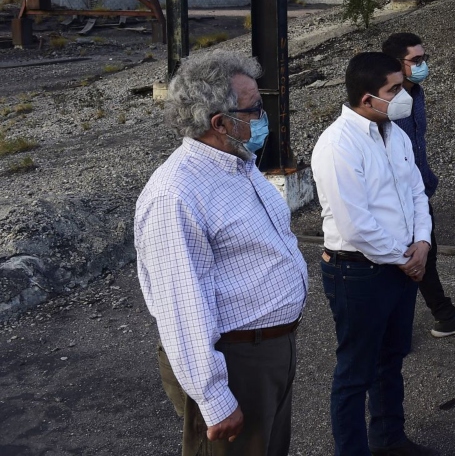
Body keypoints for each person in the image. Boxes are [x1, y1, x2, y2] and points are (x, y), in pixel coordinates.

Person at [135, 50, 308, 456]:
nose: (264, 117)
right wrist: (214, 399)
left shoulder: (239, 163)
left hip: (269, 350)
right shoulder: (175, 194)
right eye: (256, 109)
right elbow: (181, 307)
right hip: (234, 362)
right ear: (221, 123)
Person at [312, 52, 438, 456]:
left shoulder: (394, 133)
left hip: (401, 266)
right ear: (368, 99)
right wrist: (405, 258)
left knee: (391, 358)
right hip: (358, 273)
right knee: (355, 372)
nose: (403, 96)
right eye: (394, 90)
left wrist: (422, 243)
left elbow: (416, 191)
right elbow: (355, 224)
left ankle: (389, 439)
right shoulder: (337, 146)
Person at [381, 32, 455, 338]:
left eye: (424, 59)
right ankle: (399, 329)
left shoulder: (416, 93)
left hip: (418, 192)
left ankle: (442, 316)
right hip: (396, 197)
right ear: (397, 64)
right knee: (402, 260)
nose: (422, 65)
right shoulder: (387, 103)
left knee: (424, 254)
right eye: (415, 60)